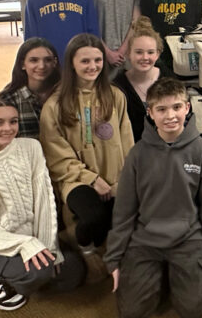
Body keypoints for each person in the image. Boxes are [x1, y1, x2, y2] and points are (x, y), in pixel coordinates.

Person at [105, 77, 202, 318]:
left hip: (187, 239)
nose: (170, 115)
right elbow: (124, 210)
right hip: (145, 240)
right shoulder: (137, 154)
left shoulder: (201, 150)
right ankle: (159, 279)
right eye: (161, 109)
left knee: (193, 309)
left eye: (176, 107)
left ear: (187, 108)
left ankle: (178, 280)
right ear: (150, 113)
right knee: (132, 312)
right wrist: (114, 258)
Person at [0, 100, 84, 311]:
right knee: (41, 271)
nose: (8, 128)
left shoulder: (31, 148)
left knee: (73, 272)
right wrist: (24, 245)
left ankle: (27, 272)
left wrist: (50, 247)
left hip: (31, 236)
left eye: (13, 121)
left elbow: (43, 201)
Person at [39, 33, 134, 278]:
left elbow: (127, 142)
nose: (92, 66)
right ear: (71, 63)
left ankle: (104, 243)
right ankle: (84, 246)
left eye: (98, 60)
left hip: (114, 175)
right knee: (94, 217)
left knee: (127, 216)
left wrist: (122, 180)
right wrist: (92, 179)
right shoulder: (55, 105)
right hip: (76, 179)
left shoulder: (116, 96)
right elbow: (56, 155)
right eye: (85, 61)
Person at [113, 16, 173, 142]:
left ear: (158, 54)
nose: (145, 57)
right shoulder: (117, 87)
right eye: (139, 52)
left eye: (150, 52)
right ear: (128, 53)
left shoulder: (171, 82)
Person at [0, 38, 61, 139]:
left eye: (48, 60)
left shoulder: (66, 94)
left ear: (55, 63)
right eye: (34, 60)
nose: (42, 66)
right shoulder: (8, 99)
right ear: (23, 64)